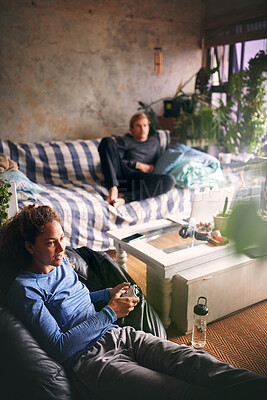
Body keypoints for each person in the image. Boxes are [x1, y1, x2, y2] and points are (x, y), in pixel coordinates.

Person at [1, 204, 266, 400]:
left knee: (203, 365)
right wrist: (110, 312)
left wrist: (107, 294)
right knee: (185, 392)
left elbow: (76, 301)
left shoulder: (61, 263)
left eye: (62, 239)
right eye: (50, 243)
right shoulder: (25, 290)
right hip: (91, 362)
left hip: (121, 335)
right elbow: (59, 347)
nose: (61, 249)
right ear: (29, 247)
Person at [98, 112, 176, 208]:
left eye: (145, 125)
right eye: (138, 126)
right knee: (107, 141)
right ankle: (113, 189)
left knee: (170, 180)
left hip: (139, 180)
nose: (142, 129)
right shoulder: (125, 141)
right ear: (132, 129)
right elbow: (116, 161)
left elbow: (158, 162)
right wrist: (137, 165)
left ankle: (124, 200)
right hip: (122, 175)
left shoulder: (154, 142)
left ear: (148, 127)